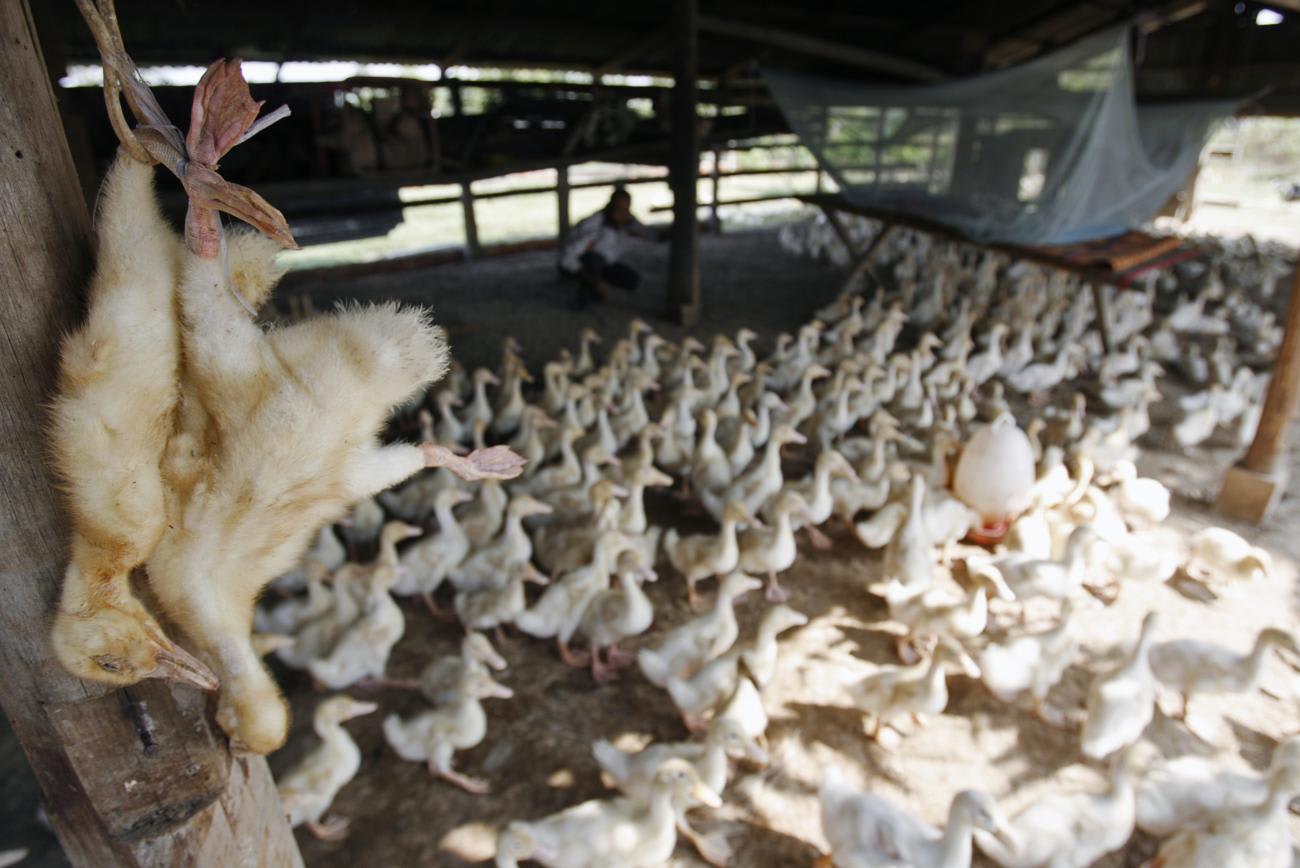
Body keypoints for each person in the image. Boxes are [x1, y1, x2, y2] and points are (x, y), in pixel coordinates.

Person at [558, 188, 663, 309]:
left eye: (626, 210)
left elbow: (648, 234)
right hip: (582, 264)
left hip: (605, 264)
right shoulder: (593, 225)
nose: (622, 214)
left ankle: (598, 283)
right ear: (609, 206)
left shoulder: (627, 220)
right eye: (618, 209)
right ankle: (585, 295)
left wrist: (667, 233)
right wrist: (593, 280)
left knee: (632, 280)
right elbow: (566, 258)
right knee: (594, 261)